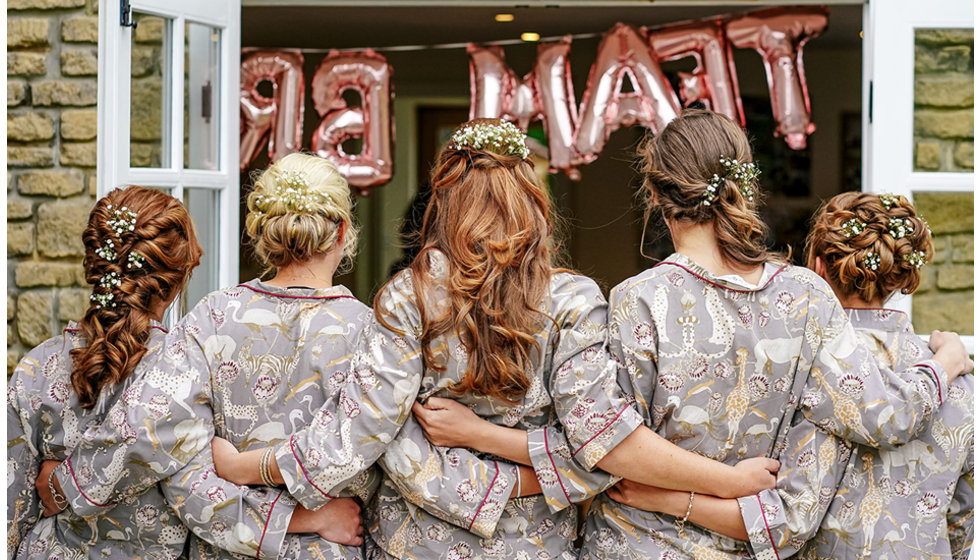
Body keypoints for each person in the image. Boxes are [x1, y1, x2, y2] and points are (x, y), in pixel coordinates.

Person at [207, 119, 780, 559]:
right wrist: (524, 482)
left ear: (444, 204)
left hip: (419, 538)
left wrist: (253, 467)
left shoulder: (410, 298)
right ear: (533, 202)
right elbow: (595, 451)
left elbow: (364, 434)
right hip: (535, 540)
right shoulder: (572, 300)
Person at [567, 109, 971, 559]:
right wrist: (943, 365)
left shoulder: (638, 298)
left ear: (656, 193)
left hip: (633, 544)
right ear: (744, 183)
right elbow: (879, 413)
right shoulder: (805, 295)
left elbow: (612, 447)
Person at [37, 154, 374, 559]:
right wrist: (306, 516)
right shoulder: (374, 335)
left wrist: (67, 485)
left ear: (262, 230)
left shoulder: (213, 318)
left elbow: (176, 468)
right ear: (340, 231)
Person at [8, 186, 202, 558]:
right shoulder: (191, 374)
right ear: (177, 281)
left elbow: (8, 509)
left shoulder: (36, 368)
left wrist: (59, 481)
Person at [797, 192, 974, 559]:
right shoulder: (956, 374)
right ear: (899, 275)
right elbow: (960, 513)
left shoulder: (810, 365)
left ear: (818, 268)